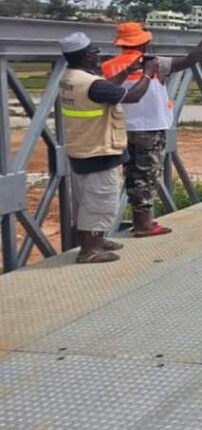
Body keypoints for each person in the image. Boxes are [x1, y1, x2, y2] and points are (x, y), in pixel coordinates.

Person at [110, 20, 202, 237]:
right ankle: (143, 225)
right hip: (150, 128)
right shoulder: (155, 64)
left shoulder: (109, 65)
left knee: (132, 174)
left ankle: (141, 219)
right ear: (144, 43)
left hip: (122, 128)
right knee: (147, 174)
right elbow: (191, 59)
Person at [58, 32, 158, 263]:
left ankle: (97, 241)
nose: (97, 56)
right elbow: (133, 96)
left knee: (87, 200)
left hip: (81, 148)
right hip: (99, 150)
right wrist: (147, 73)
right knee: (100, 202)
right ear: (85, 56)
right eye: (94, 52)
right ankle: (89, 251)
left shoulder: (71, 78)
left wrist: (126, 71)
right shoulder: (92, 84)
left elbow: (105, 88)